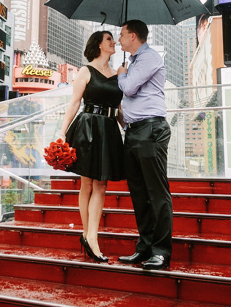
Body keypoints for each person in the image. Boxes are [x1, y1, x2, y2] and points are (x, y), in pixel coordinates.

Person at [57, 30, 123, 263]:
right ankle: (90, 236)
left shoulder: (118, 74)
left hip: (109, 129)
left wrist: (129, 128)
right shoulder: (85, 71)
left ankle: (89, 236)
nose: (114, 42)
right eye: (109, 39)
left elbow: (121, 110)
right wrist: (62, 133)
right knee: (87, 184)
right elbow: (74, 103)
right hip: (87, 128)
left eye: (114, 39)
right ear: (98, 44)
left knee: (101, 184)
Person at [116, 20, 172, 270]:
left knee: (156, 193)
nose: (119, 39)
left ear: (134, 36)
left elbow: (128, 88)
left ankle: (161, 251)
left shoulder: (149, 57)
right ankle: (145, 248)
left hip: (151, 129)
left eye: (122, 34)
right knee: (139, 193)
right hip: (134, 131)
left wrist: (121, 74)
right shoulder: (135, 60)